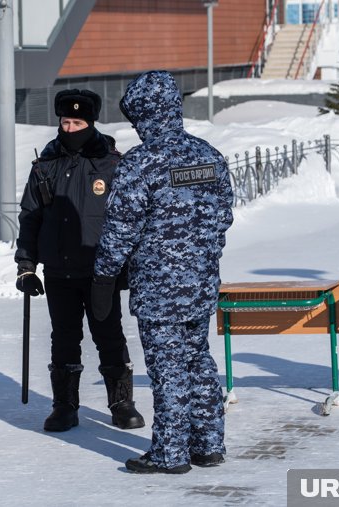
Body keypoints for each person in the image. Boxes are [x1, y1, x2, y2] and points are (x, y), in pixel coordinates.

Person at [91, 71, 234, 474]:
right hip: (201, 283)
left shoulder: (142, 161)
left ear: (142, 115)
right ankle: (208, 444)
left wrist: (104, 276)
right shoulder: (208, 154)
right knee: (198, 361)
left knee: (169, 369)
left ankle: (170, 453)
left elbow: (121, 227)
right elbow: (224, 216)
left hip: (160, 289)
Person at [14, 89, 145, 432]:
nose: (69, 128)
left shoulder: (112, 164)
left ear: (90, 122)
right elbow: (31, 216)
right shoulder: (46, 165)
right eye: (65, 121)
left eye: (77, 121)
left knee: (109, 335)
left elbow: (127, 219)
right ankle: (65, 406)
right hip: (59, 271)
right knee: (64, 338)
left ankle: (121, 403)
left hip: (100, 272)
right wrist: (26, 266)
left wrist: (126, 267)